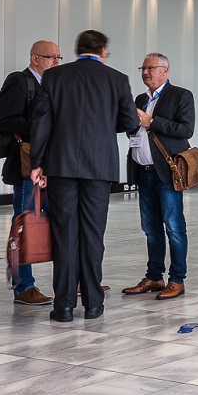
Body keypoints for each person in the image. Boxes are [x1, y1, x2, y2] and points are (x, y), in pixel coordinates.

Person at [29, 29, 137, 323]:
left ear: (78, 50)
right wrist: (101, 123)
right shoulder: (117, 79)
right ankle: (92, 304)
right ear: (102, 50)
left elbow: (41, 123)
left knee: (64, 234)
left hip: (61, 166)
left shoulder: (54, 77)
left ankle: (63, 306)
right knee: (92, 234)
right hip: (99, 167)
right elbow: (129, 122)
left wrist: (37, 163)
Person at [121, 53, 196, 301]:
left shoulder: (181, 95)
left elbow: (185, 129)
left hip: (167, 174)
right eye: (143, 68)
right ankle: (154, 276)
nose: (145, 72)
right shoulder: (141, 98)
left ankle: (177, 280)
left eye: (150, 68)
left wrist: (151, 121)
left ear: (165, 70)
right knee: (150, 229)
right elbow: (134, 132)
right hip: (144, 174)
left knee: (174, 228)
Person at [0, 40, 62, 306]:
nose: (57, 62)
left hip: (53, 166)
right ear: (35, 58)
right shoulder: (19, 81)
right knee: (23, 225)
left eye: (59, 57)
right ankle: (23, 287)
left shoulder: (52, 84)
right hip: (27, 167)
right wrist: (43, 125)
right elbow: (5, 119)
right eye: (51, 57)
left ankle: (73, 279)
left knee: (63, 222)